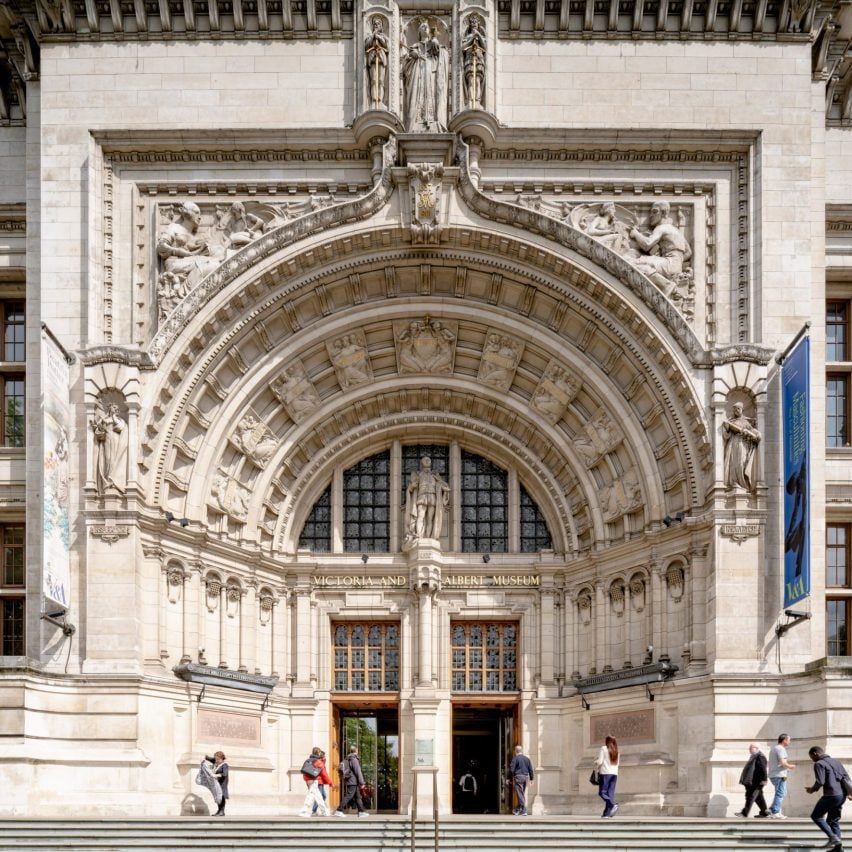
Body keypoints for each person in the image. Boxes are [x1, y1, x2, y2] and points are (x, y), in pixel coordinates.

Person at [805, 745, 851, 849]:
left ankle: (833, 837)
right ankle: (838, 847)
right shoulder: (836, 762)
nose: (812, 760)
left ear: (815, 754)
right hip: (841, 795)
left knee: (816, 816)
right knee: (833, 820)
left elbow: (820, 781)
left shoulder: (819, 764)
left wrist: (811, 790)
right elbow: (847, 778)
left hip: (831, 795)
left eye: (811, 757)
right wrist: (849, 793)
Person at [404, 456, 450, 546]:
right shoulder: (418, 474)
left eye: (428, 460)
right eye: (425, 460)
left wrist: (445, 488)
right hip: (421, 496)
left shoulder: (434, 475)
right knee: (420, 517)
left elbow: (442, 484)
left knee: (430, 519)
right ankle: (420, 537)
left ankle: (428, 539)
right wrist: (412, 486)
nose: (426, 461)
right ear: (422, 463)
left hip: (432, 496)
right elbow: (412, 486)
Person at [722, 402, 761, 493]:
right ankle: (733, 483)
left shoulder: (745, 422)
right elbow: (726, 436)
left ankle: (743, 484)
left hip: (742, 444)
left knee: (741, 463)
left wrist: (757, 434)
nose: (736, 411)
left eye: (738, 409)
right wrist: (727, 429)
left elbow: (752, 430)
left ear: (742, 410)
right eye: (734, 409)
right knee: (733, 464)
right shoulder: (731, 421)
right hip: (733, 444)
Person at [735, 743, 770, 818]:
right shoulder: (754, 756)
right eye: (749, 748)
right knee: (758, 797)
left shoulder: (760, 756)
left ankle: (744, 813)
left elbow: (763, 769)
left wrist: (764, 779)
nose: (749, 749)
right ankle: (764, 812)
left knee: (750, 796)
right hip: (753, 781)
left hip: (757, 781)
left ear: (757, 748)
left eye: (751, 748)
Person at [334, 745, 369, 818]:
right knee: (348, 796)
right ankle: (339, 810)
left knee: (358, 797)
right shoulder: (354, 759)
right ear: (356, 750)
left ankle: (361, 812)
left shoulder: (348, 758)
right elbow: (358, 771)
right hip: (353, 781)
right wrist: (362, 782)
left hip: (352, 781)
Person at [768, 733, 796, 818]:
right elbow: (783, 763)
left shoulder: (774, 748)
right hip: (779, 775)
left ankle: (772, 810)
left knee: (781, 793)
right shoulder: (781, 749)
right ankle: (775, 812)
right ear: (784, 740)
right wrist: (791, 766)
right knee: (781, 793)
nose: (789, 742)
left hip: (774, 774)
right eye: (789, 740)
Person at [299, 746, 331, 817]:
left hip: (307, 779)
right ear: (318, 753)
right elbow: (324, 773)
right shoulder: (318, 761)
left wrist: (306, 780)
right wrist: (330, 782)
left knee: (318, 796)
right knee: (310, 795)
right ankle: (304, 811)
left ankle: (324, 811)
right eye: (319, 752)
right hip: (314, 780)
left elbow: (304, 770)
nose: (320, 753)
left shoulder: (308, 760)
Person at [594, 735, 619, 818]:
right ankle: (606, 814)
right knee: (610, 794)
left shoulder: (604, 748)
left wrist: (595, 762)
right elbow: (617, 764)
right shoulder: (617, 751)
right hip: (614, 774)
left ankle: (612, 805)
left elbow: (600, 762)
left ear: (607, 741)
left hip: (605, 773)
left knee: (602, 792)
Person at [508, 744, 534, 816]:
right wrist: (532, 779)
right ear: (521, 751)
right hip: (525, 777)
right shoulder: (527, 759)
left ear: (515, 751)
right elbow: (530, 769)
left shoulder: (515, 759)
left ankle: (524, 810)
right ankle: (517, 810)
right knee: (521, 794)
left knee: (520, 794)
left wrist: (509, 779)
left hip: (518, 777)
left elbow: (511, 770)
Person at [204, 751, 229, 816]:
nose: (216, 760)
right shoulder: (216, 763)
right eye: (216, 759)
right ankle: (219, 811)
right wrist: (206, 757)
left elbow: (225, 774)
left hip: (222, 783)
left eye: (218, 759)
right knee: (218, 797)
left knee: (222, 796)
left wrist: (216, 775)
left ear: (222, 758)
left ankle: (222, 811)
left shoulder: (224, 765)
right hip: (216, 783)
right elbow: (210, 759)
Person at [312, 748, 331, 816]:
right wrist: (329, 782)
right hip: (319, 781)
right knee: (320, 796)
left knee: (323, 795)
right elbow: (323, 773)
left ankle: (316, 810)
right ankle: (314, 810)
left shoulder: (321, 761)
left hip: (321, 781)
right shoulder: (319, 762)